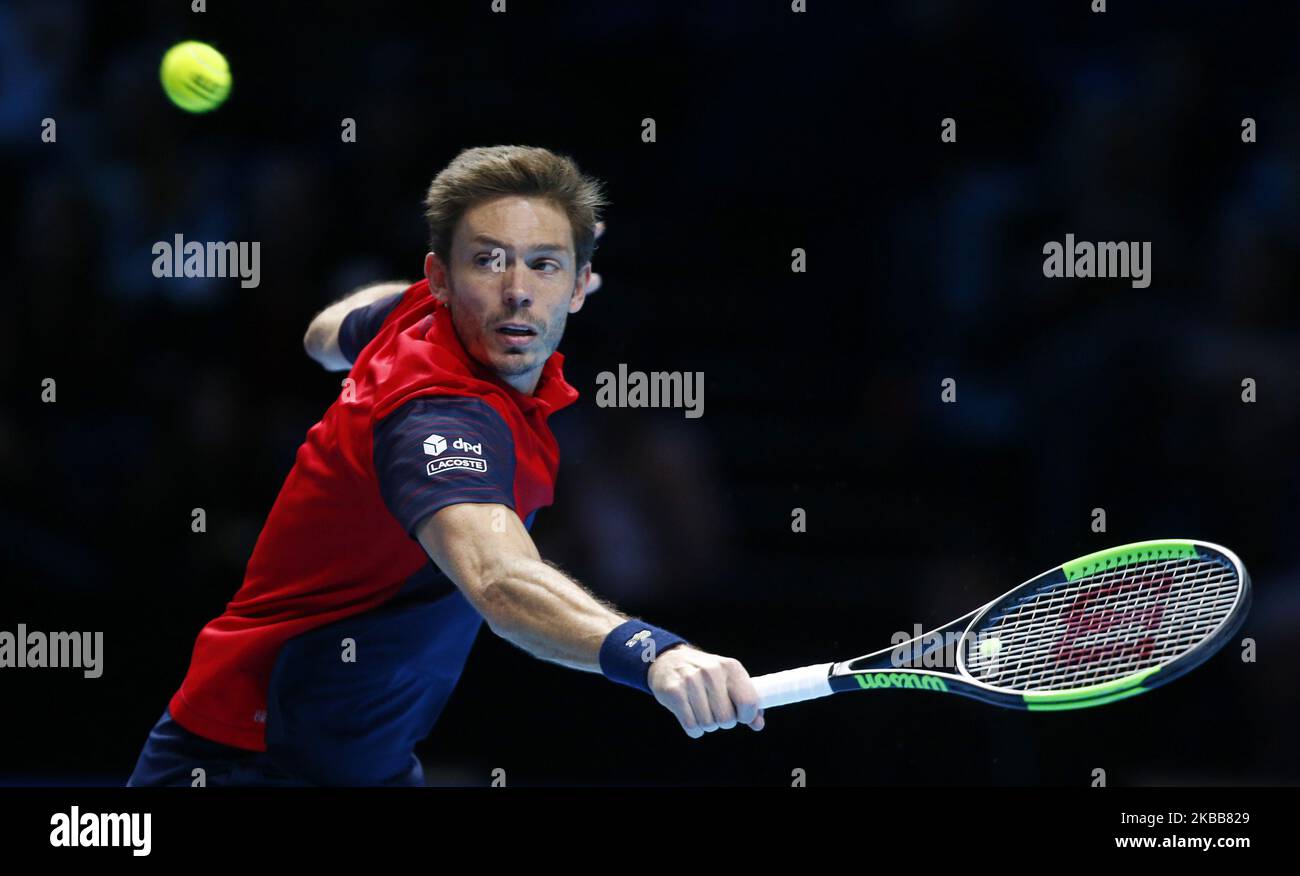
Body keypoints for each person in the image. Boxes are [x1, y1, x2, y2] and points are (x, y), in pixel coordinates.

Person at [127, 144, 764, 787]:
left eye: (544, 265)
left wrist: (487, 271)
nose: (517, 292)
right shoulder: (436, 416)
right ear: (440, 276)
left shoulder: (415, 315)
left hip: (355, 760)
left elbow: (322, 336)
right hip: (255, 762)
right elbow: (500, 581)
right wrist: (653, 654)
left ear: (579, 287)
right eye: (488, 261)